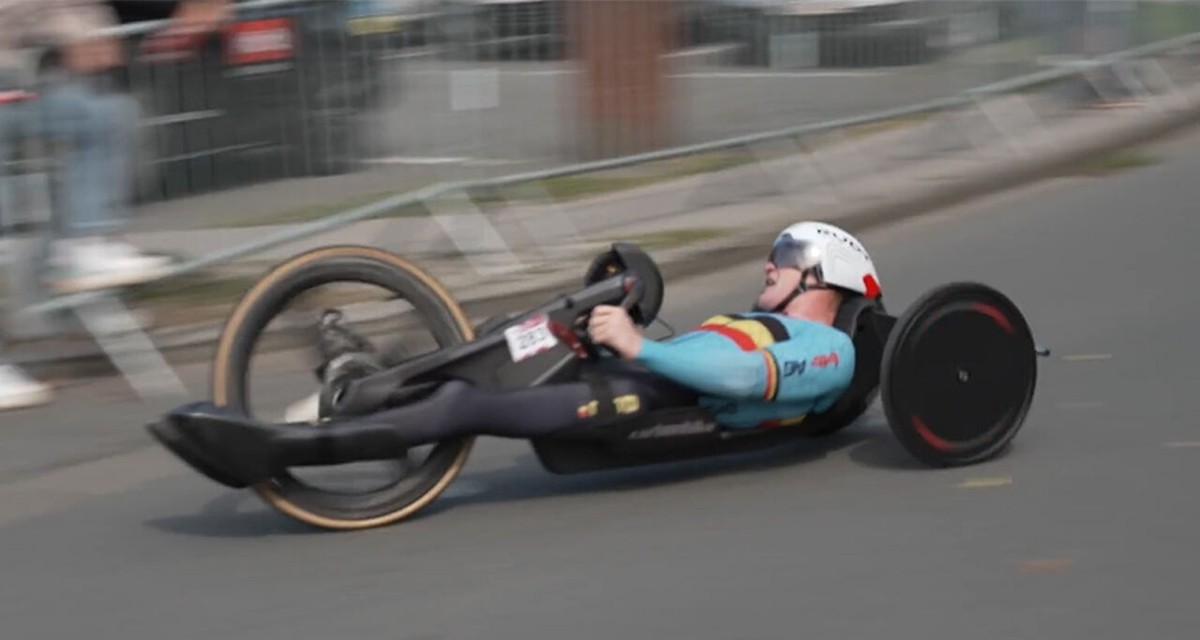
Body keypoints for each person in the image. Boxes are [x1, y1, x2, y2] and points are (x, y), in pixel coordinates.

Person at [170, 222, 882, 472]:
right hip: (635, 365)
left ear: (827, 274)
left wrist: (639, 344)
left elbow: (739, 372)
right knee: (504, 336)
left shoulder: (828, 350)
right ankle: (357, 377)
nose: (770, 261)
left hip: (648, 400)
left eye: (786, 253)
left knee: (465, 402)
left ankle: (278, 448)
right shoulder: (777, 319)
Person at [0, 0, 231, 411]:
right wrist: (78, 33)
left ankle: (79, 255)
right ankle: (73, 262)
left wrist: (89, 30)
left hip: (18, 77)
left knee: (105, 114)